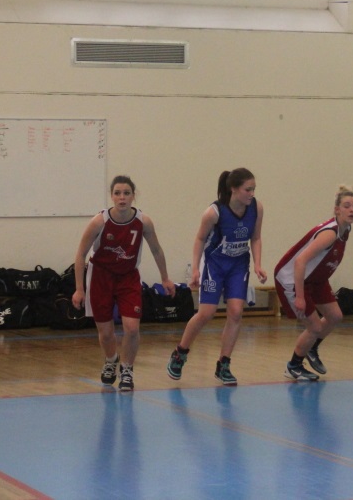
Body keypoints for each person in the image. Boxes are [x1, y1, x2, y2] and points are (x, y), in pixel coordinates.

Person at [72, 175, 174, 392]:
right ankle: (111, 360)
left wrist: (165, 277)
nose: (122, 197)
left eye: (126, 193)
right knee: (106, 332)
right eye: (117, 193)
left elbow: (156, 250)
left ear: (133, 196)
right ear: (111, 196)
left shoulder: (143, 222)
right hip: (100, 276)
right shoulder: (99, 222)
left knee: (132, 328)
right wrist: (79, 289)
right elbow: (80, 254)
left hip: (128, 277)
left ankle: (127, 369)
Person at [166, 168, 266, 386]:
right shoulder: (214, 212)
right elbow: (200, 239)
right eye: (247, 189)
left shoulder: (256, 208)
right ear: (234, 189)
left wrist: (258, 264)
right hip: (215, 264)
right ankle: (180, 352)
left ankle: (224, 364)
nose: (252, 194)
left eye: (254, 189)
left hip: (238, 264)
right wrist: (195, 268)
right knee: (206, 313)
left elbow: (256, 237)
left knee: (236, 313)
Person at [274, 186, 353, 381]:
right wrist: (300, 297)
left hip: (316, 279)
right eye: (347, 206)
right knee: (315, 327)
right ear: (337, 209)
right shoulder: (330, 233)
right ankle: (293, 366)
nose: (352, 210)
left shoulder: (346, 230)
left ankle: (311, 348)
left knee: (335, 316)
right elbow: (300, 261)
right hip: (292, 279)